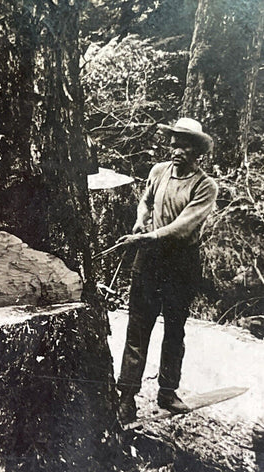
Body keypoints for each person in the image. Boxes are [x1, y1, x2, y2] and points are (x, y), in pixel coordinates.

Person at [116, 117, 218, 425]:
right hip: (149, 261)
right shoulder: (158, 172)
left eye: (184, 144)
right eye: (173, 142)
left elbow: (182, 227)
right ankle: (126, 397)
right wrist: (139, 221)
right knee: (138, 327)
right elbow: (145, 203)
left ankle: (168, 392)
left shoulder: (205, 186)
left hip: (181, 263)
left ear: (197, 151)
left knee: (175, 329)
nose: (176, 149)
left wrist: (144, 237)